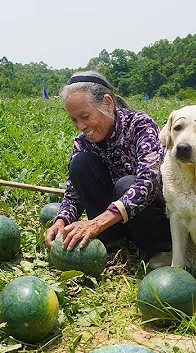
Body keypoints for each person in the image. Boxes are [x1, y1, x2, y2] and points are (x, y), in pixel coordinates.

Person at [44, 71, 172, 269]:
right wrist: (62, 219)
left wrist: (96, 223)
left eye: (85, 116)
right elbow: (73, 192)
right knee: (80, 163)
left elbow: (150, 180)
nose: (81, 126)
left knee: (126, 184)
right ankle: (113, 242)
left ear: (107, 102)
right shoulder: (83, 143)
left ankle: (159, 250)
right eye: (74, 120)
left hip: (152, 218)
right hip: (112, 222)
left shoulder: (140, 125)